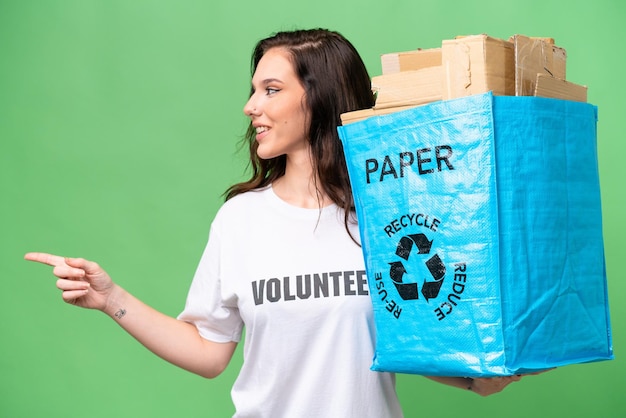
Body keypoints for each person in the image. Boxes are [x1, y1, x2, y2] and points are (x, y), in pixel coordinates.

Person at [24, 28, 523, 417]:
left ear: (319, 96)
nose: (250, 107)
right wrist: (112, 299)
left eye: (271, 89)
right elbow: (208, 352)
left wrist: (476, 376)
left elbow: (405, 340)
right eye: (253, 90)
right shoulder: (240, 220)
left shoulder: (389, 216)